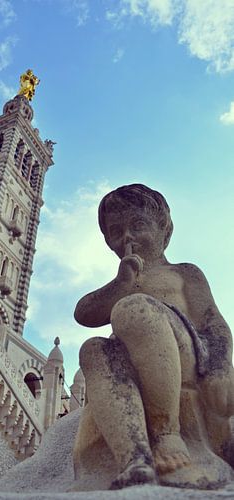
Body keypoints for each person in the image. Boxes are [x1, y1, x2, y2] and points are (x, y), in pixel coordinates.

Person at [74, 184, 234, 489]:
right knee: (93, 349)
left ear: (164, 230)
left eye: (139, 225)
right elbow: (84, 313)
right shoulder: (123, 281)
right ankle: (135, 459)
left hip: (186, 355)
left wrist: (219, 365)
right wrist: (122, 283)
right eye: (116, 231)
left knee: (133, 309)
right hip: (133, 364)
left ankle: (166, 434)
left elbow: (214, 324)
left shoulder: (183, 273)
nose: (128, 237)